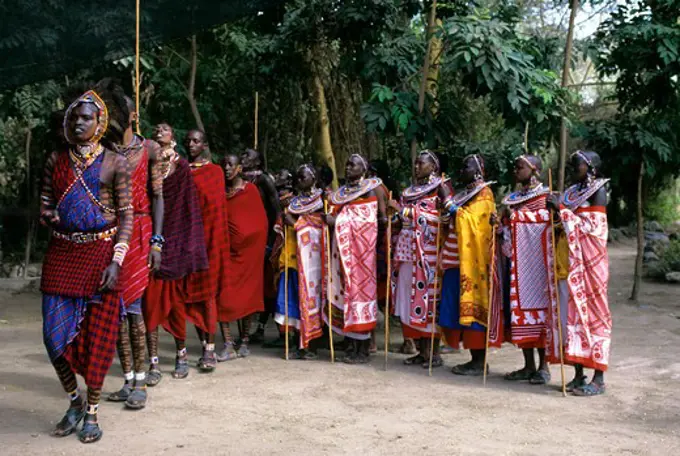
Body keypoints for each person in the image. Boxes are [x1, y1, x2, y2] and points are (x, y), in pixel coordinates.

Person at [40, 86, 133, 443]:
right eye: (74, 117)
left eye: (86, 118)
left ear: (100, 122)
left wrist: (117, 261)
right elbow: (46, 201)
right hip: (62, 255)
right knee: (53, 338)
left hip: (101, 257)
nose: (78, 122)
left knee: (98, 340)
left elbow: (127, 216)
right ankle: (74, 400)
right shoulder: (55, 160)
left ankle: (92, 411)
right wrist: (50, 215)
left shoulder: (115, 162)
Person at [105, 92, 164, 410]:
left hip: (139, 234)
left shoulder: (150, 149)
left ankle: (141, 381)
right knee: (115, 312)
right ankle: (127, 378)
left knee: (134, 309)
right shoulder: (105, 152)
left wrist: (157, 241)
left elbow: (158, 197)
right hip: (111, 234)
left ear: (131, 115)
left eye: (117, 111)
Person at [143, 123, 208, 383]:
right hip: (149, 238)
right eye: (156, 128)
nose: (159, 130)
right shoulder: (145, 160)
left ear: (173, 136)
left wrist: (183, 243)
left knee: (176, 304)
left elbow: (187, 207)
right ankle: (153, 363)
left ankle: (181, 355)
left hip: (175, 239)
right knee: (150, 304)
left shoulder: (180, 166)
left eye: (165, 128)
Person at [546, 150, 611, 396]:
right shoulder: (572, 192)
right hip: (568, 262)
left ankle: (599, 378)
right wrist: (554, 212)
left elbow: (594, 230)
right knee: (570, 316)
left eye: (579, 164)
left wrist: (561, 209)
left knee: (594, 316)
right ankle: (578, 374)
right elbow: (561, 225)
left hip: (590, 264)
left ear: (592, 166)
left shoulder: (599, 191)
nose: (574, 166)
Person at [494, 155, 555, 385]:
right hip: (514, 263)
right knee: (518, 313)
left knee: (537, 313)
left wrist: (517, 217)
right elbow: (506, 227)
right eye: (515, 166)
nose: (516, 170)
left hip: (535, 266)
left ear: (535, 170)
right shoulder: (513, 198)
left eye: (520, 167)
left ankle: (544, 367)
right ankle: (528, 365)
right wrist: (499, 224)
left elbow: (544, 221)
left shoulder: (544, 196)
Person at [439, 154, 500, 376]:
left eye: (466, 166)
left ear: (477, 171)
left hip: (473, 264)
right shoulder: (465, 195)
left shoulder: (484, 195)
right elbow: (456, 219)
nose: (461, 169)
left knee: (473, 310)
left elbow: (475, 224)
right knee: (454, 308)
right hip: (456, 261)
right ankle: (471, 358)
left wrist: (448, 203)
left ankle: (478, 360)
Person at [390, 150, 452, 368]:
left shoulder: (441, 188)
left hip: (428, 255)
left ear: (433, 167)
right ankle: (420, 351)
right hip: (407, 251)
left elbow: (445, 217)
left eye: (421, 163)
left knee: (428, 299)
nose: (416, 167)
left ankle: (433, 353)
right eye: (415, 163)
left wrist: (408, 214)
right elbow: (400, 216)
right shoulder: (408, 192)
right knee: (410, 298)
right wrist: (397, 217)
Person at [323, 154, 386, 364]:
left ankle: (363, 349)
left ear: (364, 169)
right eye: (347, 164)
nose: (348, 167)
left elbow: (368, 224)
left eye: (353, 165)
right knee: (346, 294)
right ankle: (351, 345)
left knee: (359, 295)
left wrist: (337, 221)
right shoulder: (341, 193)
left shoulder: (369, 192)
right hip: (344, 254)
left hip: (362, 258)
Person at [184, 129, 230, 372]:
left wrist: (210, 242)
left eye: (196, 141)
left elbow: (216, 210)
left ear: (205, 145)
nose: (191, 144)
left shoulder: (214, 172)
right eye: (189, 140)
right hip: (188, 243)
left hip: (210, 243)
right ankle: (203, 342)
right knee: (191, 296)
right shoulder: (182, 170)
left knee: (208, 296)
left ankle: (210, 349)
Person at [216, 154, 268, 360]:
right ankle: (228, 343)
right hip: (225, 253)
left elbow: (260, 223)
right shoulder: (220, 191)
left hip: (248, 255)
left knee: (247, 296)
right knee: (223, 295)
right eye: (224, 164)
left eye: (231, 164)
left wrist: (248, 242)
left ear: (239, 168)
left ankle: (244, 340)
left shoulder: (250, 190)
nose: (226, 168)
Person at [274, 164, 326, 359]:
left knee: (310, 299)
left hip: (311, 262)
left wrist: (296, 224)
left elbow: (319, 227)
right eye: (298, 178)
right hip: (292, 259)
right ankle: (296, 342)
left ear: (314, 178)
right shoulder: (292, 202)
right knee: (291, 301)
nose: (300, 181)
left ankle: (310, 344)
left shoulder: (322, 201)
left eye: (304, 177)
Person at [241, 148, 281, 344]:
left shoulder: (264, 180)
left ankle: (261, 328)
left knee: (266, 286)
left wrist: (273, 241)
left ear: (258, 161)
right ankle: (246, 331)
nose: (243, 158)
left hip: (264, 238)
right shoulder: (237, 177)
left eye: (248, 155)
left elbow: (276, 210)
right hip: (243, 238)